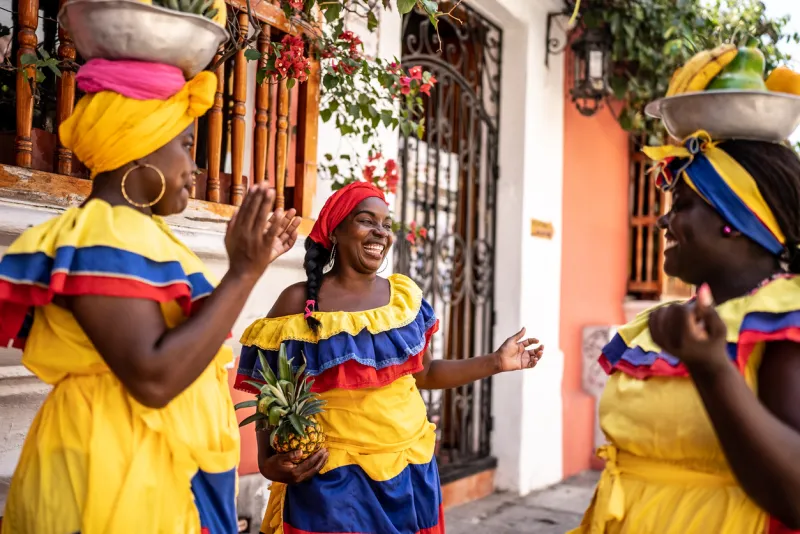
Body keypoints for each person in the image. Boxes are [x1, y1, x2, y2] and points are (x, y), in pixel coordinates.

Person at [0, 58, 301, 533]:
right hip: (114, 469)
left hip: (148, 462)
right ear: (138, 147)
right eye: (185, 145)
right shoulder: (106, 233)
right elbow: (153, 378)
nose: (195, 166)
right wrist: (243, 273)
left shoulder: (141, 233)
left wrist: (254, 263)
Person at [235, 181, 545, 534]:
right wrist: (266, 461)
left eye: (386, 224)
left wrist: (495, 362)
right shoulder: (297, 303)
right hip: (331, 473)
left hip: (409, 468)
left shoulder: (402, 300)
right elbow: (269, 389)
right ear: (335, 230)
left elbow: (425, 373)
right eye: (367, 221)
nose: (380, 232)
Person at [570, 130, 800, 534]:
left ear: (737, 220)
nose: (663, 219)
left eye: (682, 205)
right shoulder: (666, 322)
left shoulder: (784, 320)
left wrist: (712, 369)